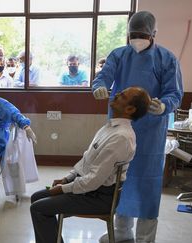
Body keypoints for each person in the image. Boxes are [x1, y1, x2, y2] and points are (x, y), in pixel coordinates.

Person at [92, 11, 183, 243]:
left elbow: (174, 93)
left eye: (142, 34)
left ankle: (145, 238)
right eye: (133, 34)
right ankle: (121, 234)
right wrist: (99, 87)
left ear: (153, 34)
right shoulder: (119, 55)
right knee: (119, 179)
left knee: (148, 181)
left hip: (151, 131)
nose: (137, 38)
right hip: (120, 128)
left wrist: (164, 106)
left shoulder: (166, 59)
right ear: (128, 33)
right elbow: (104, 76)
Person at [30, 87, 151, 243]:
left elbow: (93, 181)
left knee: (38, 209)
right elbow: (86, 160)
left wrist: (62, 189)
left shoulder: (121, 137)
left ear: (130, 109)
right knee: (36, 198)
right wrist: (68, 178)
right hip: (88, 189)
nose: (116, 95)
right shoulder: (109, 128)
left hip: (99, 197)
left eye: (122, 95)